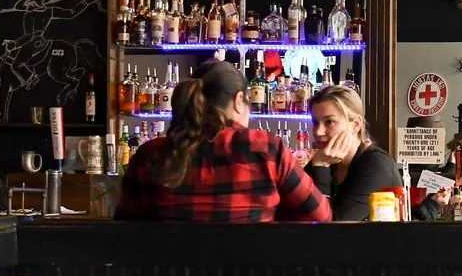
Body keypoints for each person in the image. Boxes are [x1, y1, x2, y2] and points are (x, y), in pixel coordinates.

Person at [117, 62, 330, 223]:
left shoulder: (150, 154)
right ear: (239, 101)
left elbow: (124, 226)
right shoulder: (266, 148)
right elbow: (321, 216)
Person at [304, 83, 402, 220]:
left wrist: (321, 166)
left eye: (329, 122)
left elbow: (337, 228)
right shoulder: (326, 159)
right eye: (315, 122)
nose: (318, 132)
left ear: (356, 125)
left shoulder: (377, 165)